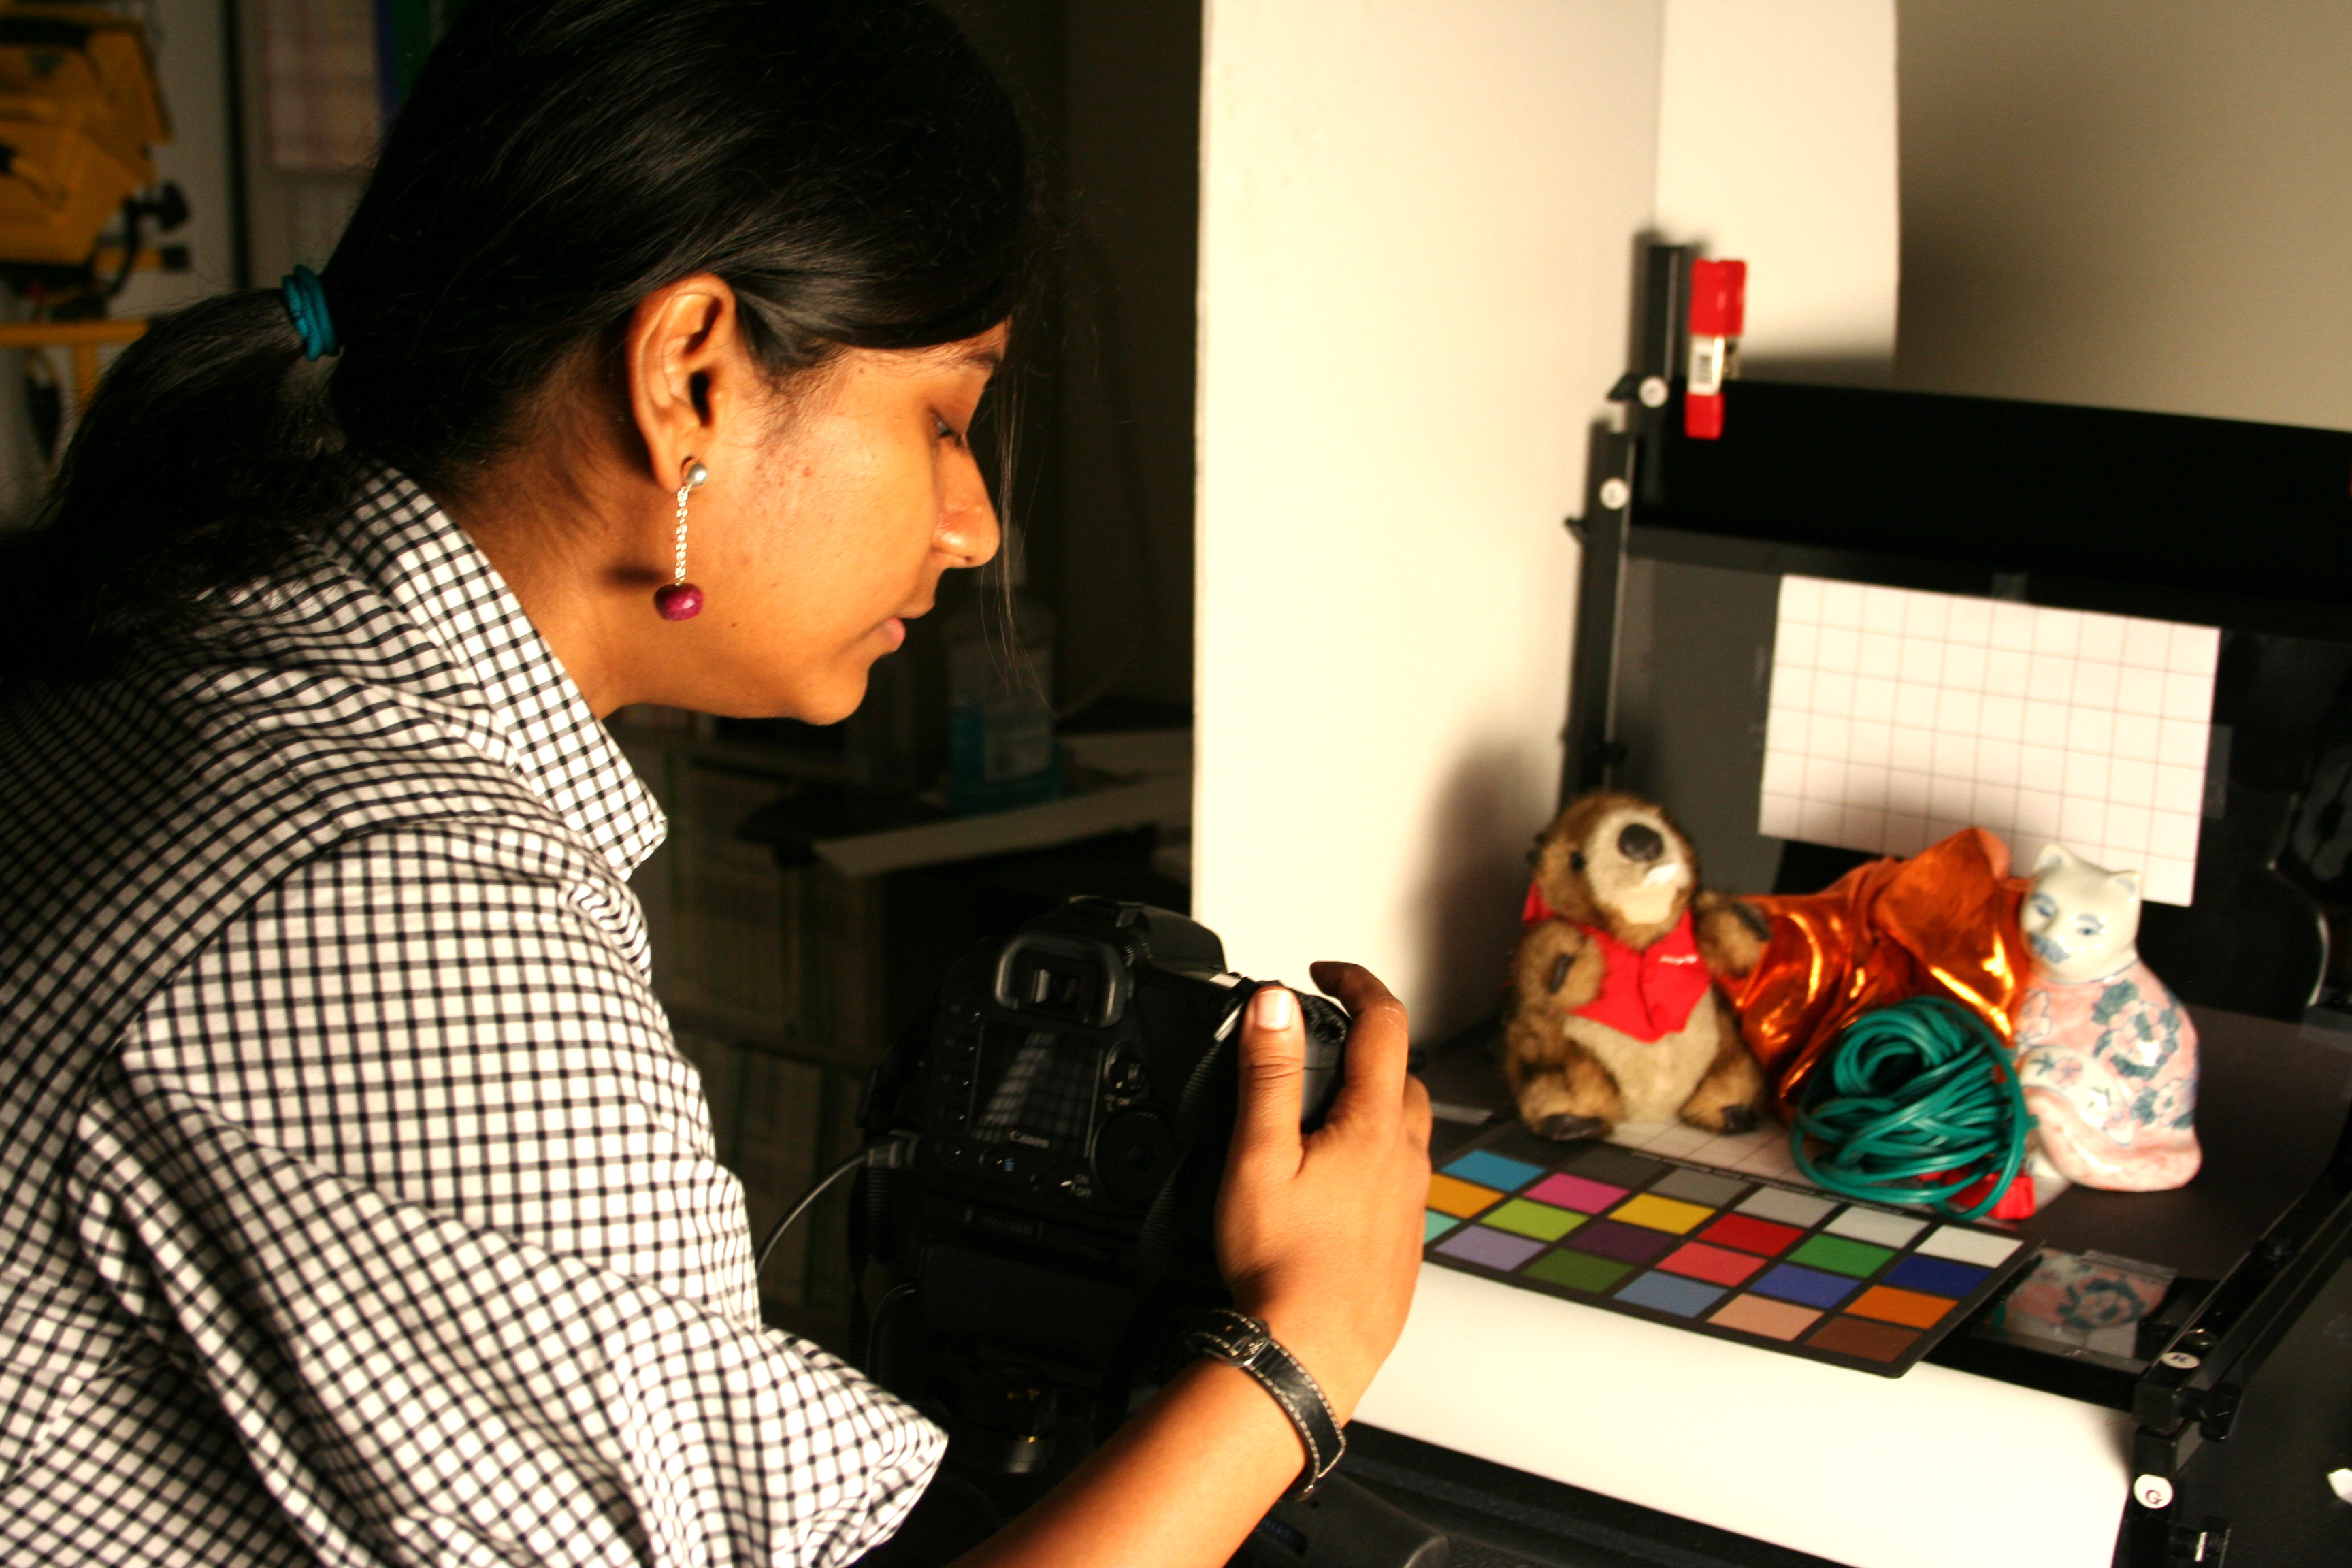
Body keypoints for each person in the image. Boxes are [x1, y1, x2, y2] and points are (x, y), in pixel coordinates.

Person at [0, 3, 1431, 1565]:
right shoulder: (390, 905)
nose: (976, 527)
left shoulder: (189, 657)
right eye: (945, 418)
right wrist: (1298, 1353)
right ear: (691, 372)